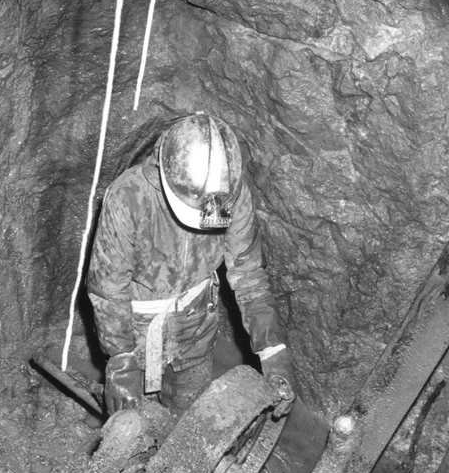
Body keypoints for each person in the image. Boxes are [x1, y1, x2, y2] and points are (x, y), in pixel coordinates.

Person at [87, 112, 295, 415]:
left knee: (187, 418)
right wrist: (120, 358)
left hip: (196, 326)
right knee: (133, 424)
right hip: (138, 331)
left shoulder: (229, 194)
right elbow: (108, 289)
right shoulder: (128, 198)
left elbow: (248, 274)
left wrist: (273, 348)